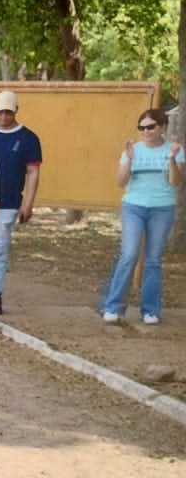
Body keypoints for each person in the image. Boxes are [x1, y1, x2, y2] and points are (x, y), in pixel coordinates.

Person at [100, 108, 181, 325]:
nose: (146, 131)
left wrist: (172, 159)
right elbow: (120, 182)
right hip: (133, 207)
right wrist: (128, 159)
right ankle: (113, 307)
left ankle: (150, 310)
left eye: (150, 127)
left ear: (162, 127)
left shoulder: (174, 149)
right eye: (142, 127)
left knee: (153, 259)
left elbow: (175, 182)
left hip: (162, 208)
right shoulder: (132, 149)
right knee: (128, 255)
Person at [0, 91, 43, 315]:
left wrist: (28, 203)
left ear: (15, 111)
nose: (4, 117)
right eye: (0, 112)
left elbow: (33, 172)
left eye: (8, 112)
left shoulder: (28, 138)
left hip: (7, 202)